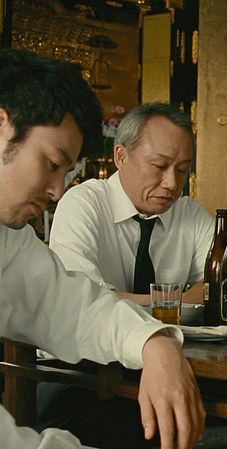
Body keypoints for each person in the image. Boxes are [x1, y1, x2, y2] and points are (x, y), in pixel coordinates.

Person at [0, 49, 204, 448]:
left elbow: (74, 307)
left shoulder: (9, 239)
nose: (57, 191)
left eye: (67, 172)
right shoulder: (84, 204)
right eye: (52, 163)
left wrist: (154, 342)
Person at [49, 102, 213, 305]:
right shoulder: (83, 204)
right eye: (159, 166)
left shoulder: (191, 214)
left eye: (181, 170)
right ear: (121, 157)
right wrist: (176, 300)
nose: (172, 183)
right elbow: (79, 296)